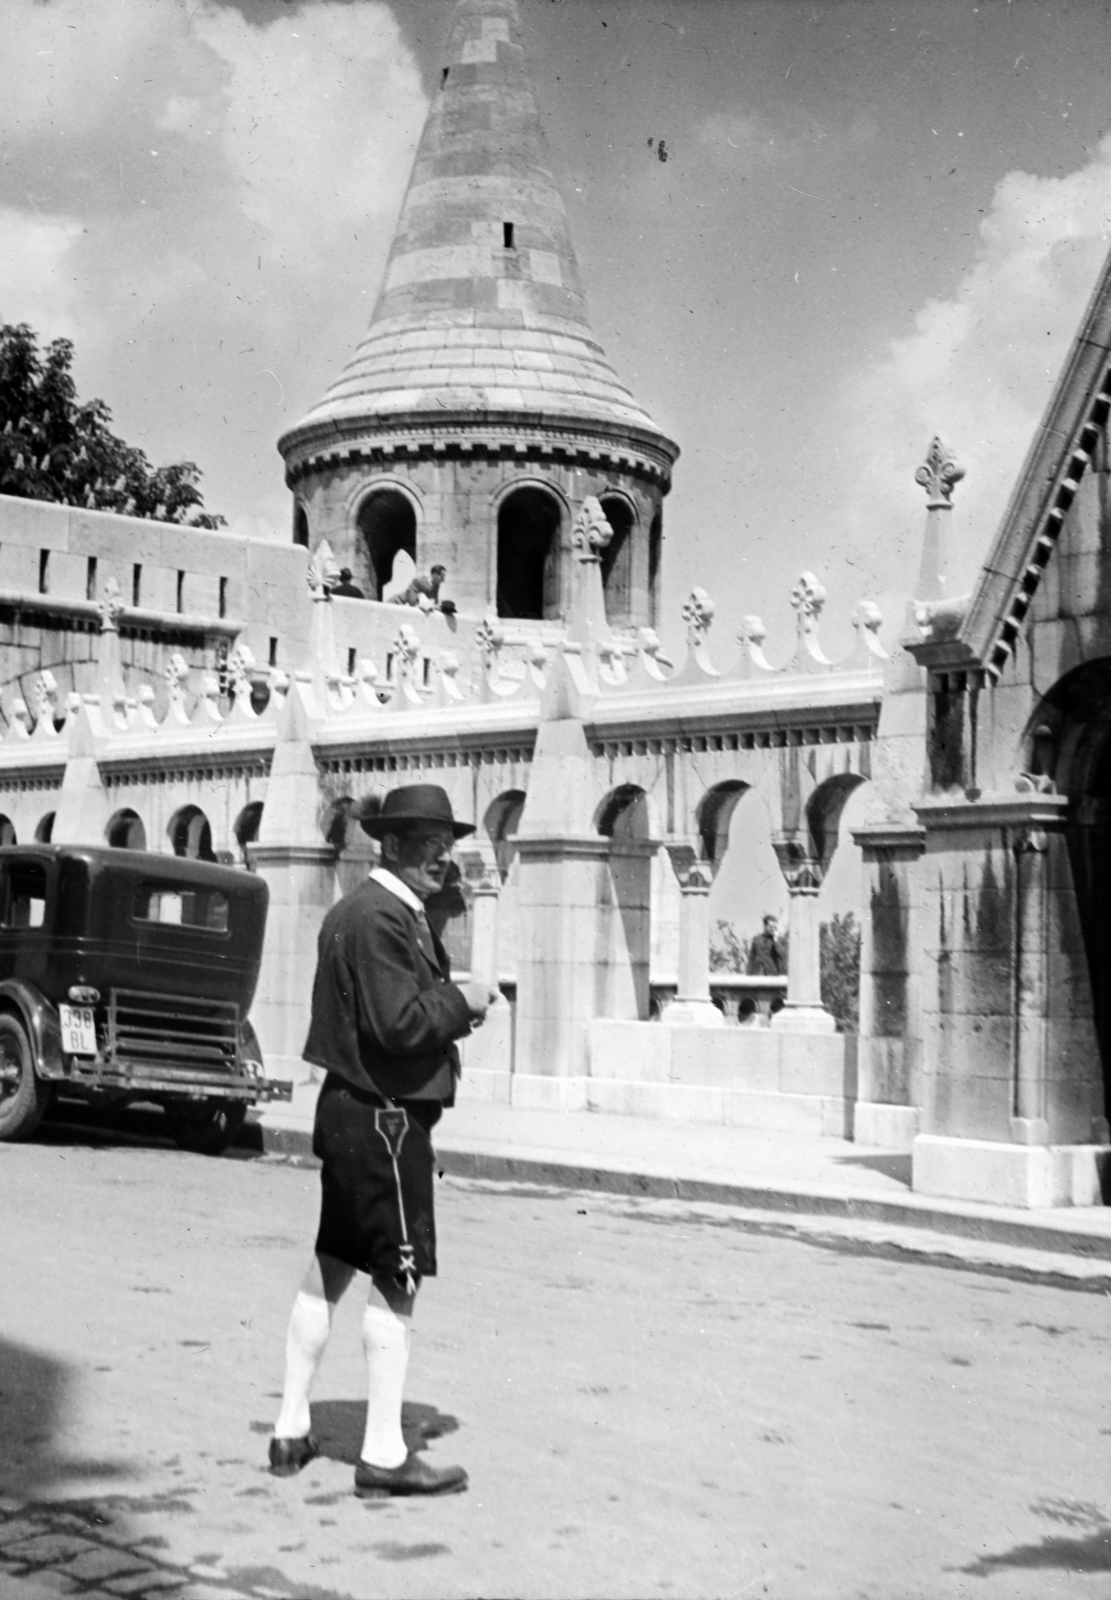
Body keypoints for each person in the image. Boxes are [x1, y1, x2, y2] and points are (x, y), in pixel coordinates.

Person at [268, 784, 497, 1497]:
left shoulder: (359, 912)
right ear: (390, 845)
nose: (442, 859)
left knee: (331, 1265)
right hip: (386, 1121)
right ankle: (384, 1454)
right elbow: (398, 1025)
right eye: (427, 846)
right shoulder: (383, 919)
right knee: (397, 1279)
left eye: (446, 846)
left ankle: (289, 1427)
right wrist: (466, 1001)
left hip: (348, 1112)